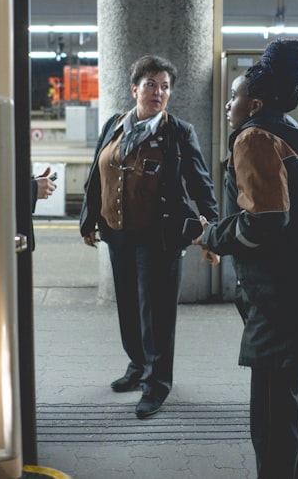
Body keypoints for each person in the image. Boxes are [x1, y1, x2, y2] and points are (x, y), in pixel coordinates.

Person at [192, 39, 298, 479]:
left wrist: (211, 235)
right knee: (292, 406)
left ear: (254, 103)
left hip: (287, 296)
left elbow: (267, 220)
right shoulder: (287, 131)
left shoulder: (254, 137)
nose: (227, 103)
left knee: (273, 420)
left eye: (234, 95)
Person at [79, 54, 219, 419]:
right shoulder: (114, 125)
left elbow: (201, 186)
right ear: (135, 89)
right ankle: (138, 366)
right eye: (151, 84)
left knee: (157, 313)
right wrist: (88, 220)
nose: (159, 92)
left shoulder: (178, 132)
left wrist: (213, 233)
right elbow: (98, 174)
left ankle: (157, 384)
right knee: (128, 305)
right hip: (118, 234)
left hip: (158, 238)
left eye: (165, 86)